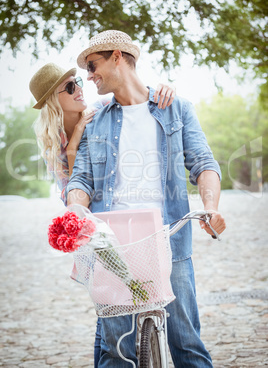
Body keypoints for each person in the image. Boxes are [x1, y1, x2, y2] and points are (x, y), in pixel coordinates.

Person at [66, 30, 226, 367]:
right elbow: (80, 177)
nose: (89, 75)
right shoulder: (95, 118)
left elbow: (203, 163)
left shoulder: (175, 108)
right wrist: (75, 211)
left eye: (93, 65)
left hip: (169, 240)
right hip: (110, 245)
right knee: (116, 351)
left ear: (117, 57)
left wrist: (210, 208)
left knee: (188, 345)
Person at [29, 61, 176, 366]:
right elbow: (72, 181)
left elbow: (133, 95)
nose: (79, 88)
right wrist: (80, 130)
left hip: (118, 220)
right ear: (53, 100)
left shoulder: (101, 109)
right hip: (91, 227)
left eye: (77, 82)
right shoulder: (54, 139)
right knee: (110, 312)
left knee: (110, 314)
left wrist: (164, 87)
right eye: (69, 87)